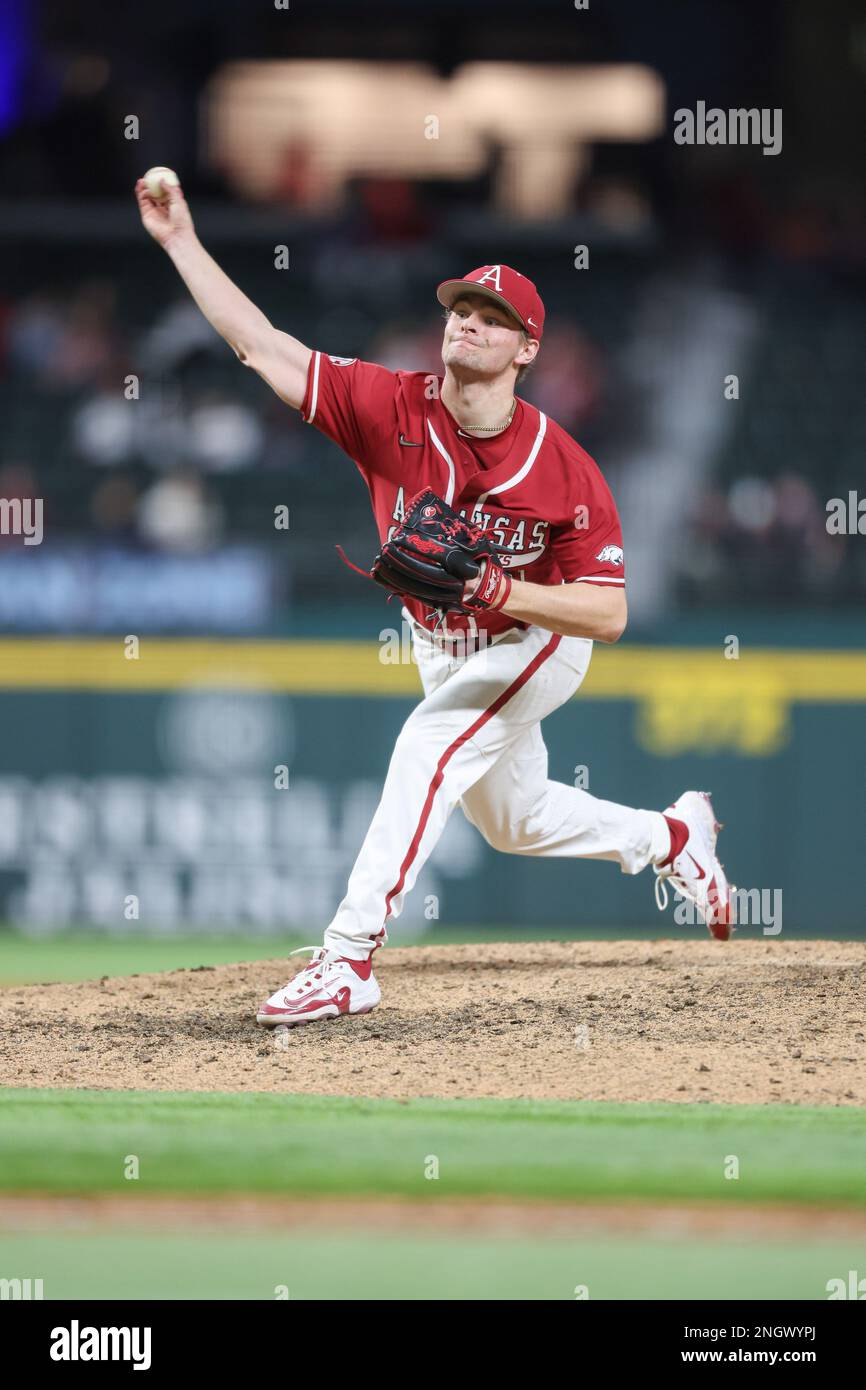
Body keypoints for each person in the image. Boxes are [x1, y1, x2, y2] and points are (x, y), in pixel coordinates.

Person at [135, 173, 734, 1029]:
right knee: (515, 821)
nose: (469, 322)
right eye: (462, 309)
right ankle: (674, 839)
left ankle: (347, 961)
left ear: (528, 351)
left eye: (494, 319)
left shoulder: (564, 468)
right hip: (442, 640)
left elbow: (609, 614)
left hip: (537, 637)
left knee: (426, 743)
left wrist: (499, 586)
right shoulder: (387, 406)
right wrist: (180, 242)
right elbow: (262, 347)